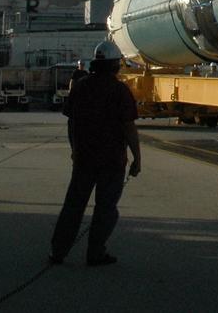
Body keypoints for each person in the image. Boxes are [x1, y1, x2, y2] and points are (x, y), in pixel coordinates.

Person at [49, 40, 141, 267]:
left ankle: (58, 251)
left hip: (84, 159)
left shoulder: (81, 87)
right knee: (105, 209)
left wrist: (74, 150)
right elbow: (128, 127)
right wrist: (137, 157)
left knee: (73, 206)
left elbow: (71, 123)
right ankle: (96, 252)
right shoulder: (119, 90)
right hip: (112, 161)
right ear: (114, 65)